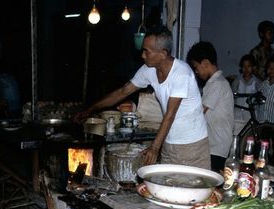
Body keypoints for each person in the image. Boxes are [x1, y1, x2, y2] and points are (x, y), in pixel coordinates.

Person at [75, 25, 210, 169]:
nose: (143, 55)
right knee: (167, 187)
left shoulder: (181, 73)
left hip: (191, 145)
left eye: (147, 51)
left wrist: (154, 147)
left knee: (194, 188)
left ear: (163, 53)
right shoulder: (149, 69)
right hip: (169, 141)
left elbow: (170, 114)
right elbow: (123, 91)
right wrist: (90, 109)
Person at [186, 41, 234, 173]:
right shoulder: (214, 83)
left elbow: (199, 112)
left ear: (205, 63)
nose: (196, 71)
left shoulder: (217, 84)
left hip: (217, 146)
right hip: (213, 144)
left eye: (196, 67)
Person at [231, 54, 261, 134]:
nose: (246, 69)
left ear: (253, 67)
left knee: (249, 136)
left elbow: (259, 98)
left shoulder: (257, 82)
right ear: (241, 68)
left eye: (249, 66)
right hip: (237, 115)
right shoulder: (237, 81)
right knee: (236, 134)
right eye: (244, 66)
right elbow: (232, 96)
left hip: (250, 115)